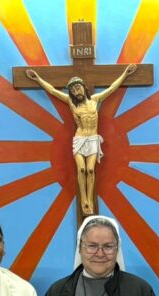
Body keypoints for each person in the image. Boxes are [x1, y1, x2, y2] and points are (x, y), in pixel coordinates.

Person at [25, 65, 137, 215]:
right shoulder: (71, 103)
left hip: (92, 139)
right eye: (73, 90)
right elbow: (52, 91)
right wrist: (38, 79)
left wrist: (125, 74)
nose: (76, 91)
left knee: (90, 170)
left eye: (78, 88)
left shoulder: (95, 100)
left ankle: (90, 200)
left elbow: (112, 88)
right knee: (81, 169)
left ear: (84, 88)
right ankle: (83, 200)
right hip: (79, 139)